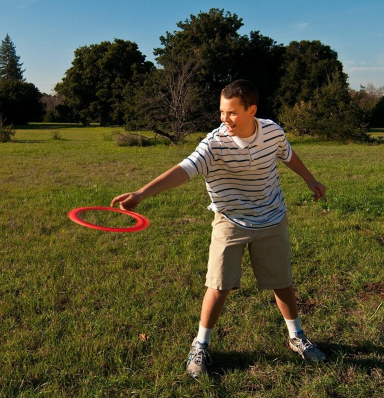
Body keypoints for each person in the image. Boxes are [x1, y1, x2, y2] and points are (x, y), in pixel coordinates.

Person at [111, 79, 327, 378]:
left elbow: (287, 154)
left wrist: (310, 179)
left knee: (282, 281)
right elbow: (183, 170)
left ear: (251, 110)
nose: (224, 119)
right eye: (222, 112)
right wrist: (141, 193)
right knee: (218, 285)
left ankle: (296, 336)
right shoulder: (214, 144)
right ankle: (200, 344)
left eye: (232, 113)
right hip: (230, 220)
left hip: (272, 217)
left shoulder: (272, 131)